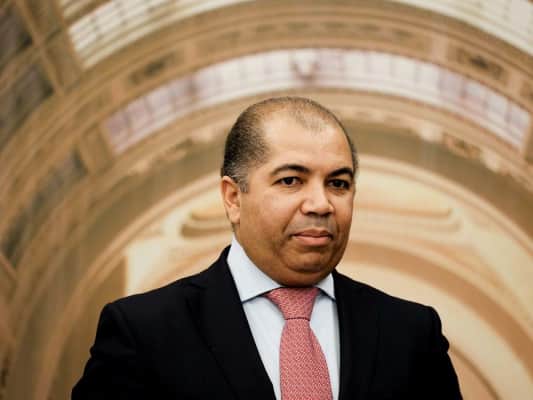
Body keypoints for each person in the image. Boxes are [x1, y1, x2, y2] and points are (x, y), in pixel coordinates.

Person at [72, 97, 462, 399]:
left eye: (338, 184)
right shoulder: (145, 332)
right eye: (291, 180)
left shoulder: (411, 333)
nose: (321, 204)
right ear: (233, 198)